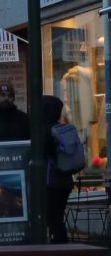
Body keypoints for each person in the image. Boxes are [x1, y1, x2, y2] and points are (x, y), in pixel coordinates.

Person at [43, 93, 86, 244]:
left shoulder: (44, 132)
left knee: (52, 220)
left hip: (49, 182)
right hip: (66, 181)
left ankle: (59, 254)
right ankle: (60, 253)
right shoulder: (63, 129)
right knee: (57, 218)